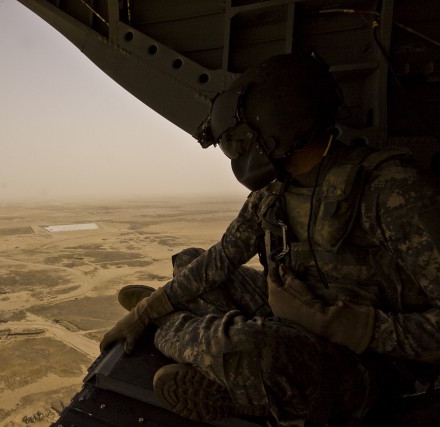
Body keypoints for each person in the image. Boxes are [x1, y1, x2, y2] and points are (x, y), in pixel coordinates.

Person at [99, 53, 440, 426]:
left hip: (366, 363)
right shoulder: (274, 193)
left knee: (250, 350)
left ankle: (199, 349)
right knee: (189, 260)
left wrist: (338, 324)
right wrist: (144, 312)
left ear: (274, 129)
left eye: (241, 142)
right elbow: (219, 260)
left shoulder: (392, 191)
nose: (238, 154)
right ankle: (190, 338)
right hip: (295, 316)